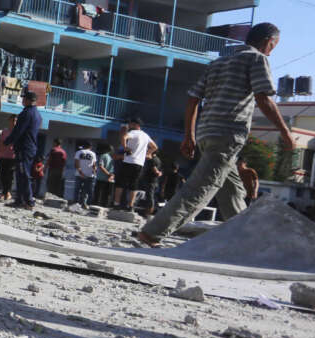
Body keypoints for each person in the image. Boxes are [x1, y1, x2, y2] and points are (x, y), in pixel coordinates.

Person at [137, 22, 294, 246]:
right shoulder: (257, 59)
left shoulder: (219, 62)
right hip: (228, 133)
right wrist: (285, 132)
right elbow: (263, 98)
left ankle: (244, 243)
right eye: (273, 46)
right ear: (269, 42)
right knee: (202, 187)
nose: (272, 51)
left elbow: (193, 98)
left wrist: (189, 136)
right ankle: (153, 232)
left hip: (206, 132)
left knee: (232, 190)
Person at [6, 88, 42, 209]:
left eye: (23, 99)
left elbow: (18, 130)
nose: (22, 101)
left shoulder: (26, 113)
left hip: (24, 148)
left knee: (23, 174)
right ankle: (20, 200)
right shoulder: (37, 114)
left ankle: (28, 200)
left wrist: (8, 141)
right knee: (21, 174)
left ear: (27, 100)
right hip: (30, 148)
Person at [113, 118, 157, 209]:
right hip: (139, 163)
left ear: (136, 125)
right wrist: (148, 154)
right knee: (134, 185)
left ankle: (116, 204)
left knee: (120, 183)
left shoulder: (133, 133)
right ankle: (130, 206)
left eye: (131, 124)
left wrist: (125, 147)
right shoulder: (146, 135)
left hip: (129, 161)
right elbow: (154, 147)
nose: (129, 125)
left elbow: (124, 137)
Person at [72, 140, 97, 208]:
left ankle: (75, 204)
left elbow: (76, 164)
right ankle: (84, 204)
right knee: (85, 191)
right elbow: (94, 165)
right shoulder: (93, 154)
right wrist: (94, 173)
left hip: (79, 174)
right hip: (89, 175)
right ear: (90, 147)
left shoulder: (78, 152)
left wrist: (80, 172)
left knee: (77, 189)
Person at [0, 116, 17, 200]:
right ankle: (5, 192)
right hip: (2, 155)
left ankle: (6, 192)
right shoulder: (5, 131)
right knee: (2, 174)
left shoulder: (18, 132)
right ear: (9, 121)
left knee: (9, 175)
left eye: (16, 121)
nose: (14, 122)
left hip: (12, 156)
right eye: (13, 120)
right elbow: (0, 142)